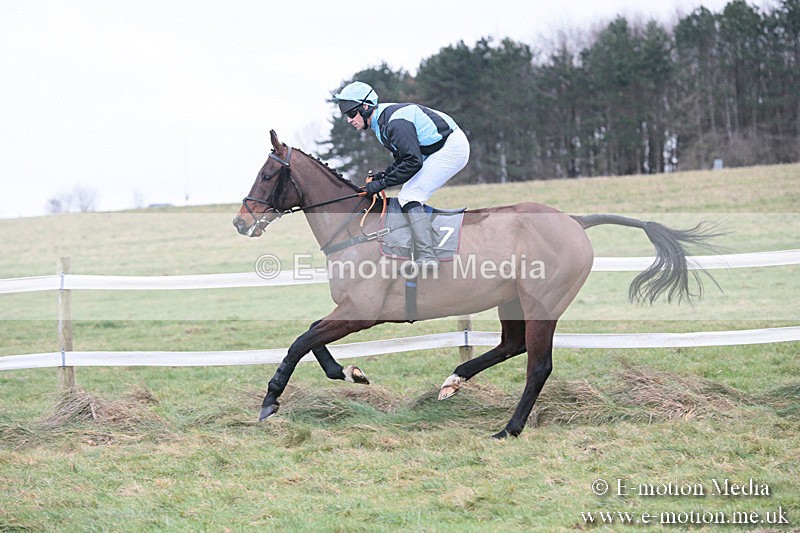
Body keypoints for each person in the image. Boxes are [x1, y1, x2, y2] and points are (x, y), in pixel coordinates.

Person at [333, 81, 470, 270]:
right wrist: (382, 177)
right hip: (436, 149)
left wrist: (382, 184)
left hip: (452, 148)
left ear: (365, 107)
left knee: (410, 195)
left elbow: (413, 162)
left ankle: (427, 255)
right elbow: (403, 160)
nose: (349, 120)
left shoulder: (394, 123)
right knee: (409, 193)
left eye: (350, 113)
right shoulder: (380, 125)